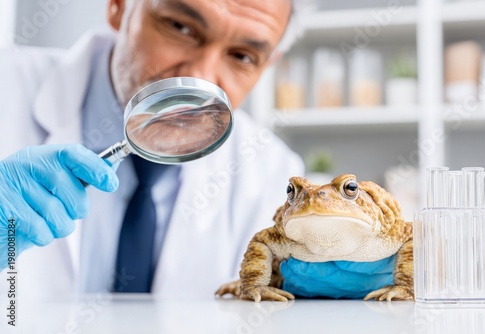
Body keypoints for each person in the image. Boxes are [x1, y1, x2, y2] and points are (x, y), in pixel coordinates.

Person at [0, 0, 394, 300]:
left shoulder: (271, 169)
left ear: (267, 65)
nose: (200, 78)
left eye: (242, 56)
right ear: (119, 7)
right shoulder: (8, 85)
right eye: (181, 27)